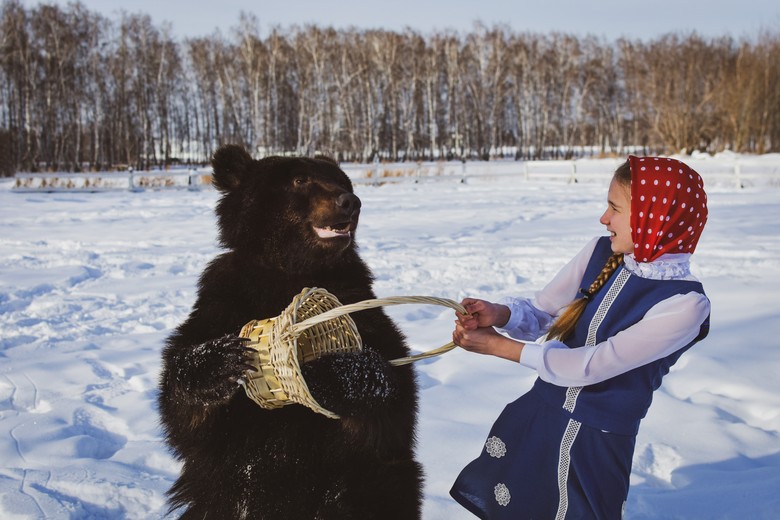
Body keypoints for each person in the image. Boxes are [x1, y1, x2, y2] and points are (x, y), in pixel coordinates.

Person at [449, 156, 710, 520]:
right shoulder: (600, 252)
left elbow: (590, 366)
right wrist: (500, 313)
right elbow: (544, 311)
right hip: (539, 416)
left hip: (595, 443)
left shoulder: (684, 305)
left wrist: (499, 347)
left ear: (654, 218)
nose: (604, 218)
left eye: (615, 208)